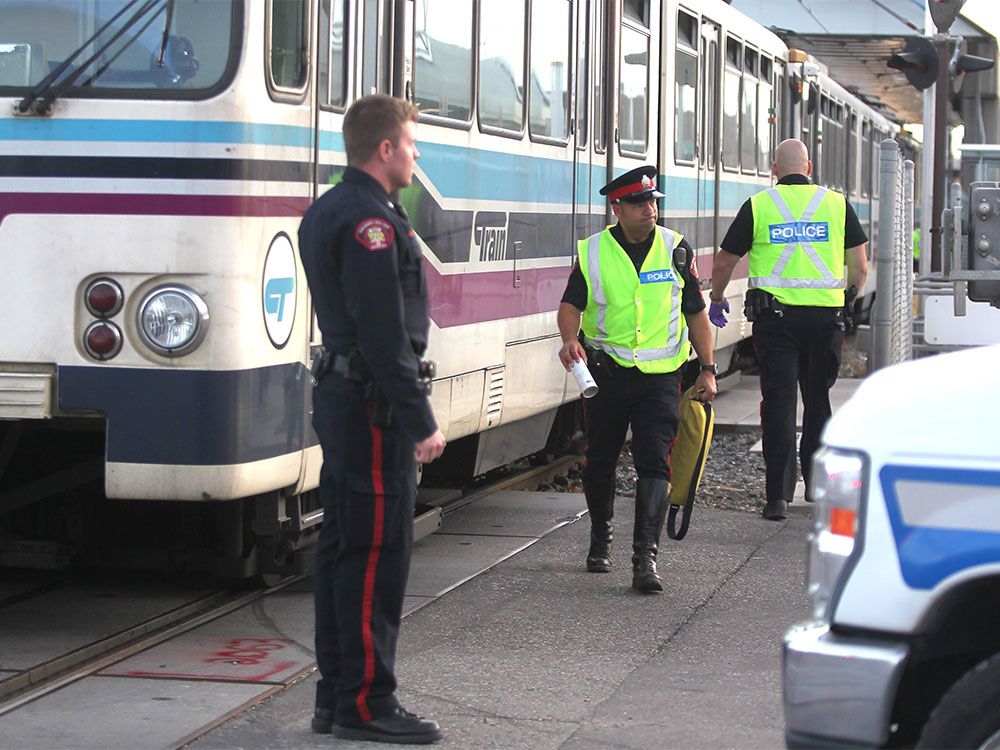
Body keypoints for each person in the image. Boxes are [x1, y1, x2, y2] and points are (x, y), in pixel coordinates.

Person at [298, 94, 447, 745]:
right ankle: (366, 702)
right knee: (373, 555)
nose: (417, 155)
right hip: (373, 408)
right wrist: (421, 421)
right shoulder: (371, 222)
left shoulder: (330, 207)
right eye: (411, 144)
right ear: (385, 149)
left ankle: (336, 695)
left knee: (340, 548)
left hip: (342, 396)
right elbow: (384, 337)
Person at [557, 165, 719, 594]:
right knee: (600, 462)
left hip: (661, 377)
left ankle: (645, 557)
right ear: (617, 208)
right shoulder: (593, 251)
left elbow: (695, 312)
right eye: (640, 203)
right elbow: (571, 304)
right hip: (608, 374)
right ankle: (600, 536)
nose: (650, 210)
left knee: (654, 461)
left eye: (653, 202)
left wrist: (707, 367)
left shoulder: (675, 249)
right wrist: (570, 340)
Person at [709, 139, 868, 521]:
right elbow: (859, 267)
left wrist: (716, 297)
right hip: (825, 320)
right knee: (818, 400)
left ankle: (777, 497)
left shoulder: (759, 205)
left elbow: (726, 259)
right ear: (809, 167)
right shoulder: (836, 204)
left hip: (775, 321)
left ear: (774, 169)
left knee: (778, 403)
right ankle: (814, 484)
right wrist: (846, 301)